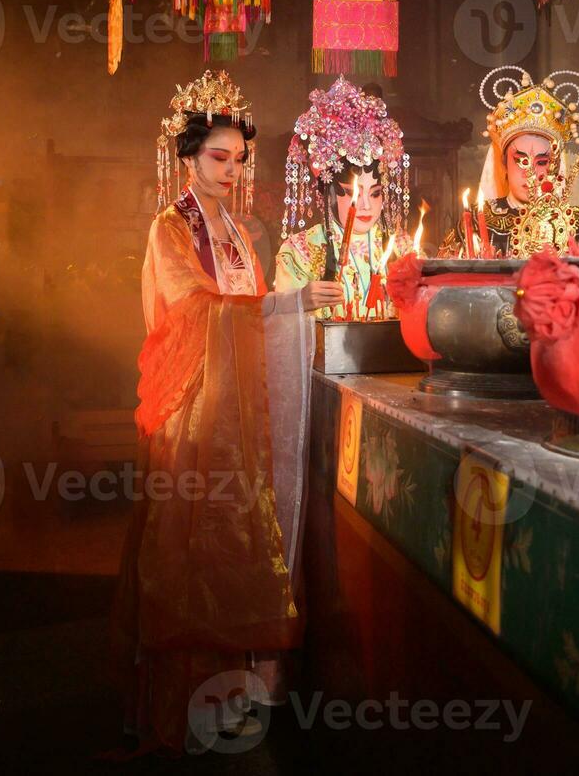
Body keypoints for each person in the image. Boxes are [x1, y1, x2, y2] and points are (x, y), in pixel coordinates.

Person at [108, 71, 336, 757]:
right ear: (187, 157)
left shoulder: (238, 232)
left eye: (239, 159)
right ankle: (181, 709)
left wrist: (287, 309)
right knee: (192, 548)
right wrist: (285, 306)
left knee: (241, 538)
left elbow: (253, 314)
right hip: (194, 410)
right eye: (217, 157)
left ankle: (240, 697)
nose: (231, 171)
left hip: (240, 409)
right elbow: (191, 309)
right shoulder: (168, 229)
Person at [274, 76, 410, 319]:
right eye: (351, 193)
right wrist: (300, 302)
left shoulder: (401, 248)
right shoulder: (300, 250)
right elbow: (284, 329)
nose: (366, 205)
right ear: (327, 193)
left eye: (376, 193)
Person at [468, 66, 579, 256]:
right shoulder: (476, 222)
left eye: (541, 162)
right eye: (521, 161)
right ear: (504, 164)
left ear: (555, 167)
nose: (530, 173)